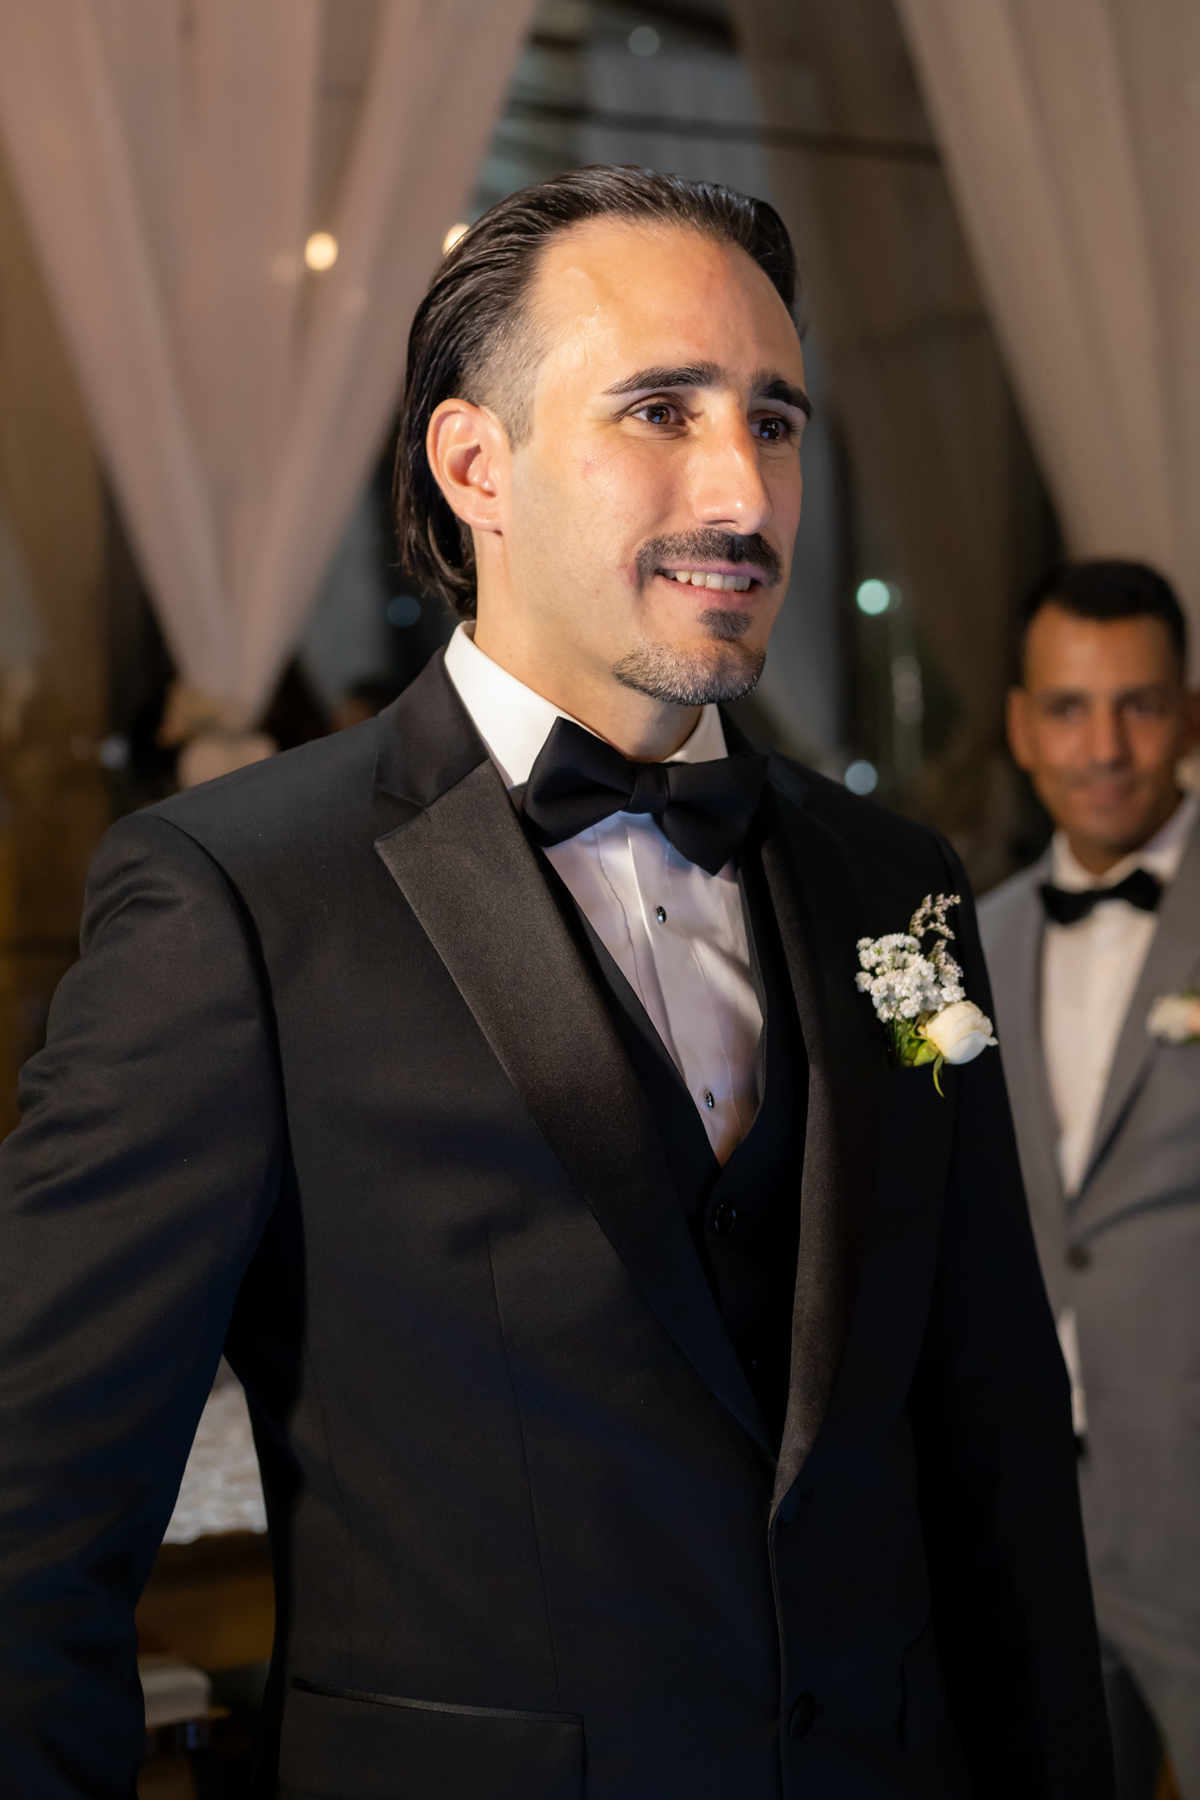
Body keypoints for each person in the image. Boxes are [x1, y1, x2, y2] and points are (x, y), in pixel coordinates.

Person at [0, 168, 1112, 1800]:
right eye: (660, 410)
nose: (743, 487)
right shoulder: (236, 898)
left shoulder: (899, 886)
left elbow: (995, 1456)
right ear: (475, 466)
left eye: (776, 421)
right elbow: (33, 1524)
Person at [980, 560, 1200, 1800]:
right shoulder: (972, 938)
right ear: (1021, 727)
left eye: (1141, 706)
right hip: (1037, 1530)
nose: (1105, 747)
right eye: (1068, 709)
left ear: (1191, 715)